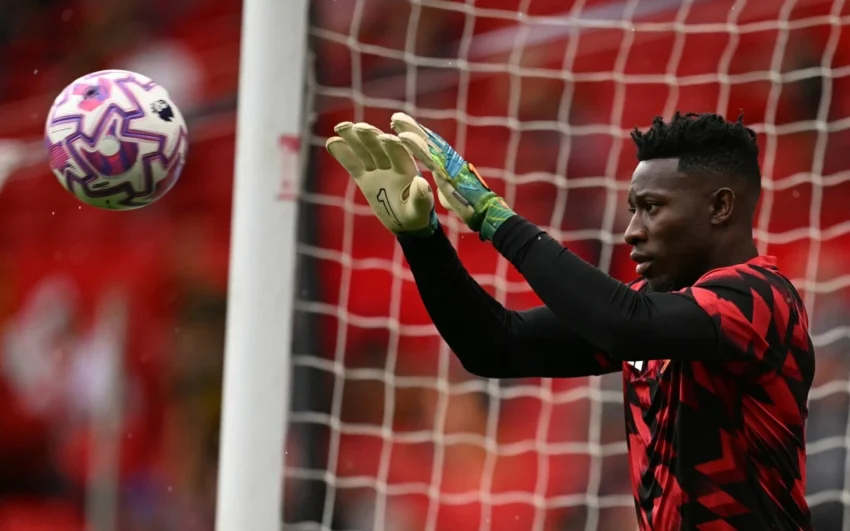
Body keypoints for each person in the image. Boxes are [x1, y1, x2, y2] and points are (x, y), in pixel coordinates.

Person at [325, 111, 815, 530]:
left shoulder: (761, 300)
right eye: (632, 210)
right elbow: (495, 346)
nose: (632, 231)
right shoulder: (654, 311)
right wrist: (421, 238)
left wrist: (494, 218)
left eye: (651, 208)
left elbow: (625, 325)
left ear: (720, 207)